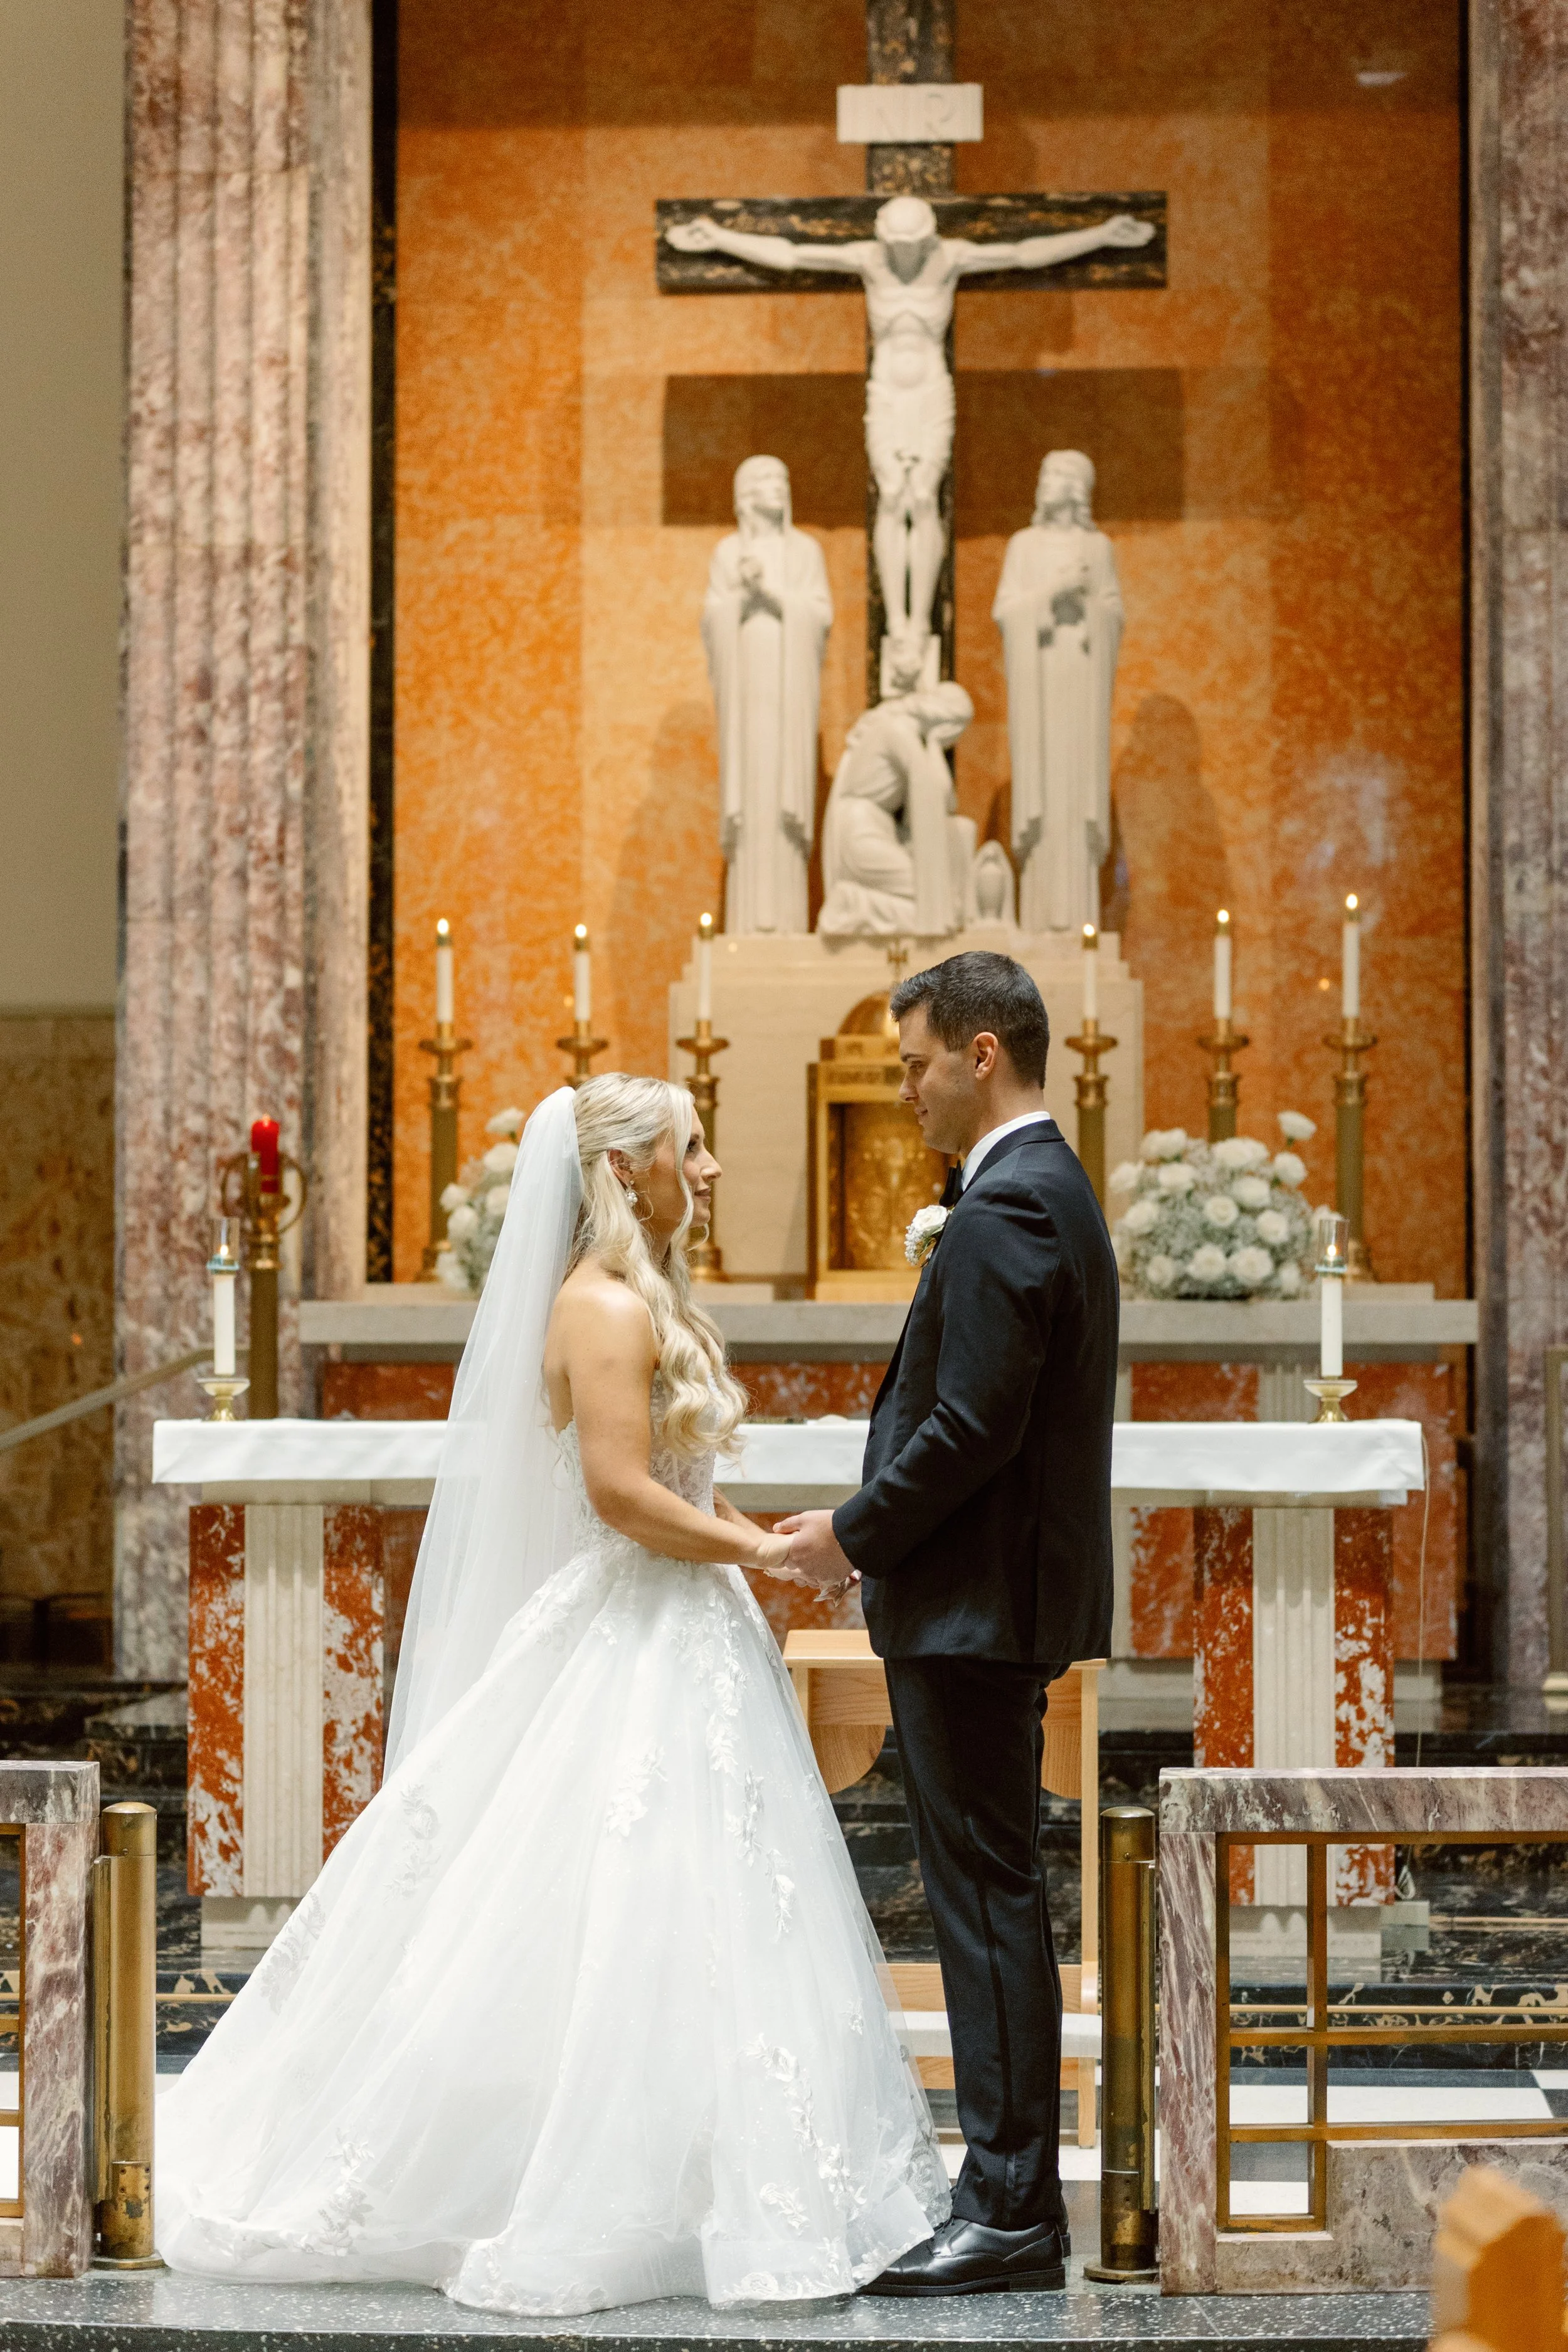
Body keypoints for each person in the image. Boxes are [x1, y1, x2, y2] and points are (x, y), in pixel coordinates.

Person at [156, 1078, 948, 2313]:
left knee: (704, 1906)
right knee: (603, 1899)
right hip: (629, 1635)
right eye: (696, 1147)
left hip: (688, 1629)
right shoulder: (598, 1307)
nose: (715, 1169)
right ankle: (569, 2182)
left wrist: (773, 1544)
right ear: (629, 1169)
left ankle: (704, 2180)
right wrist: (755, 1554)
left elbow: (677, 1477)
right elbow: (623, 1496)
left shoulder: (644, 1299)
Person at [779, 951, 1118, 2297]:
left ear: (983, 1055)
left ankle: (1009, 2205)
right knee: (993, 1902)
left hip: (971, 1610)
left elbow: (971, 1427)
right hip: (982, 1604)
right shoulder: (1042, 1192)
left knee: (984, 1908)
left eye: (914, 1061)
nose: (902, 1088)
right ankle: (1005, 2192)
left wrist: (845, 1533)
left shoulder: (1007, 1210)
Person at [666, 197, 1153, 687]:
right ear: (883, 238)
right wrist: (720, 237)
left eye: (912, 244)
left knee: (922, 498)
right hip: (886, 395)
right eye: (896, 245)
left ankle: (918, 621)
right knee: (892, 498)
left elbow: (1024, 252)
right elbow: (792, 254)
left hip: (930, 393)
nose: (904, 254)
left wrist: (1102, 235)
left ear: (928, 237)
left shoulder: (951, 258)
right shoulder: (866, 260)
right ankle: (896, 622)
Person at [702, 455, 834, 936]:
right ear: (744, 493)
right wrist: (742, 596)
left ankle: (787, 922)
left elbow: (819, 617)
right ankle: (746, 924)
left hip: (788, 697)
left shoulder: (804, 551)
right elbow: (712, 621)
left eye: (782, 477)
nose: (776, 486)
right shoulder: (727, 553)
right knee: (753, 795)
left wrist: (773, 595)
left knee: (782, 796)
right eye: (764, 479)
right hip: (745, 697)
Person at [817, 684, 974, 940]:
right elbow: (929, 787)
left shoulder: (898, 729)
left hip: (879, 830)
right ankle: (852, 903)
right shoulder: (897, 729)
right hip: (860, 834)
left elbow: (944, 801)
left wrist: (932, 744)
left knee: (936, 896)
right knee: (931, 893)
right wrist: (934, 745)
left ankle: (859, 903)